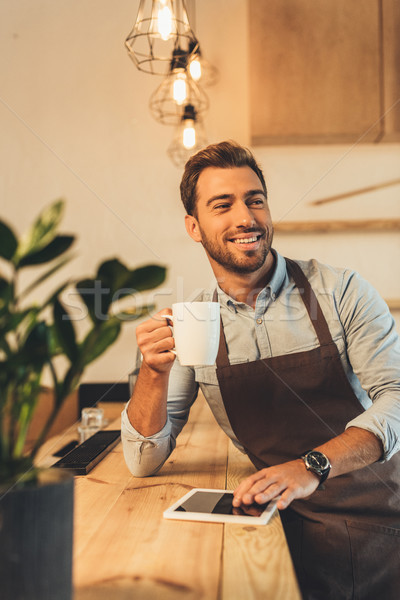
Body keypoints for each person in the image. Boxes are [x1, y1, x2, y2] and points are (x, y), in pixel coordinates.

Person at [121, 141, 400, 599]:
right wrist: (153, 373)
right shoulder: (194, 319)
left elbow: (396, 397)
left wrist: (313, 465)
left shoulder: (342, 291)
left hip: (372, 524)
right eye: (222, 205)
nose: (245, 218)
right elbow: (143, 459)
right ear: (194, 226)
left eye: (255, 200)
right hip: (274, 521)